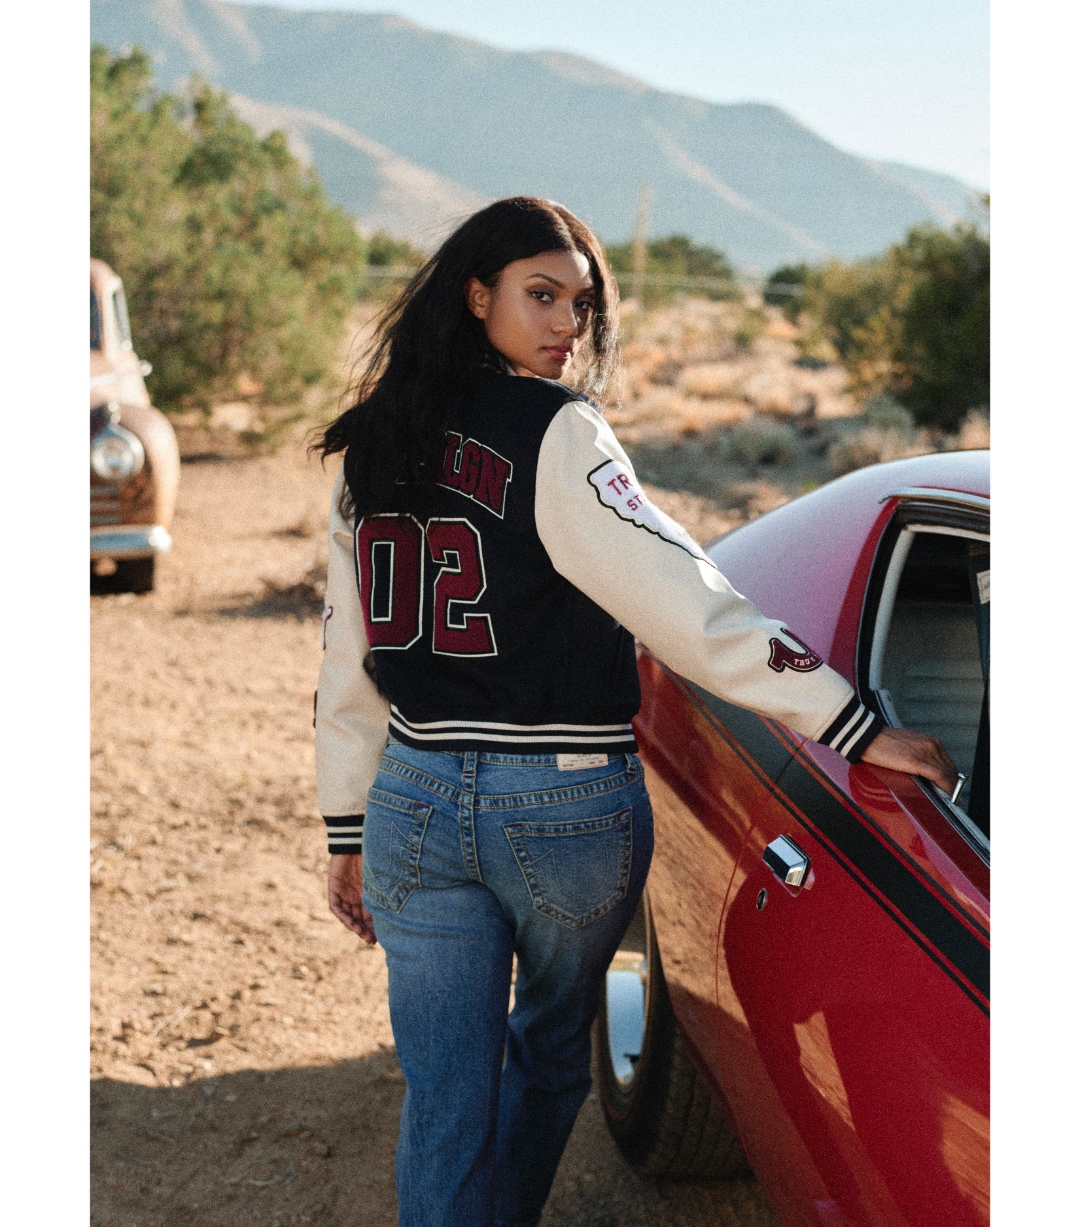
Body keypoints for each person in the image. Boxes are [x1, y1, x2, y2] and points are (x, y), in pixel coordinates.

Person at [312, 196, 956, 1227]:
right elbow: (687, 602)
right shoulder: (558, 432)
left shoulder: (365, 445)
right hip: (561, 807)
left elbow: (348, 663)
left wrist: (347, 826)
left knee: (444, 1098)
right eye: (541, 295)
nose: (568, 323)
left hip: (414, 803)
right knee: (552, 1053)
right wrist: (850, 719)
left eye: (582, 302)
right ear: (476, 297)